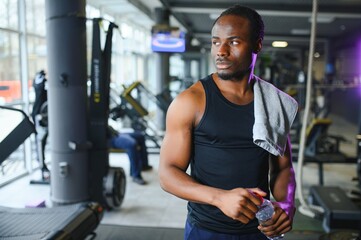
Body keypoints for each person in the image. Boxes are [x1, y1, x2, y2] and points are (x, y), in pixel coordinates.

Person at [159, 4, 297, 240]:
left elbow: (283, 167)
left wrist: (285, 204)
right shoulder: (190, 101)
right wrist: (219, 197)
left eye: (233, 42)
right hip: (206, 230)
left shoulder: (274, 102)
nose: (220, 51)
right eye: (215, 42)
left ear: (257, 45)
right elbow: (167, 173)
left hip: (259, 231)